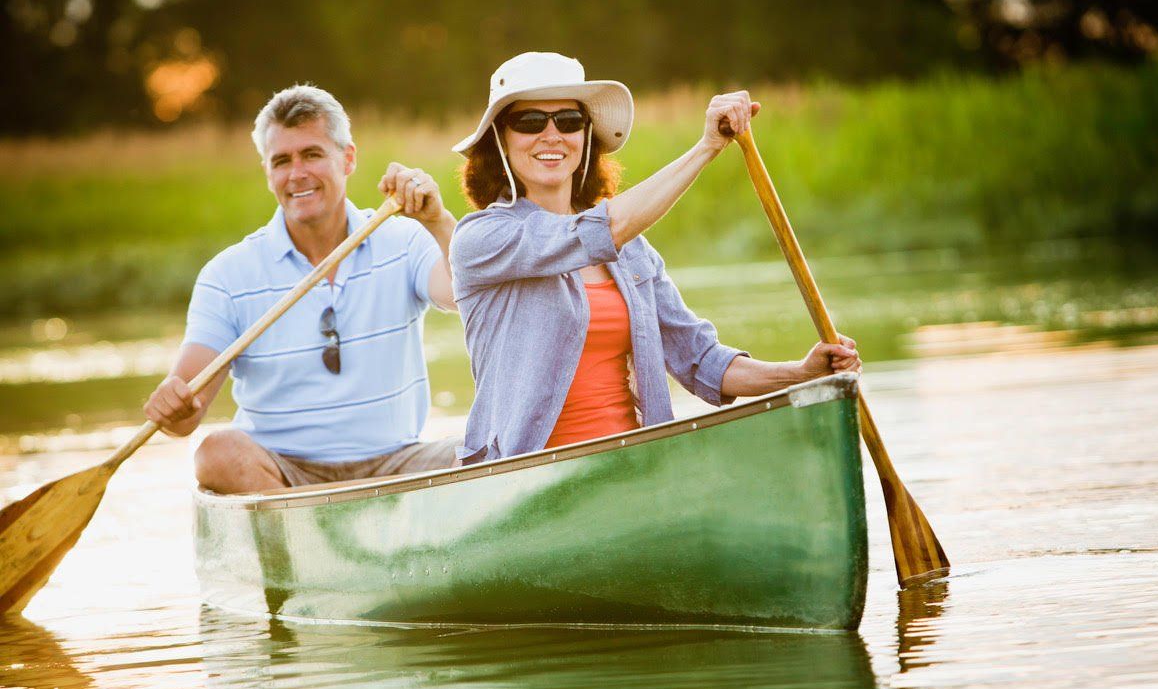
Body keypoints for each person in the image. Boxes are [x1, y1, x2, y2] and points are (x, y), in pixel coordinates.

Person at [448, 52, 861, 464]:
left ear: (586, 136)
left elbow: (701, 360)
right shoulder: (483, 238)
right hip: (527, 476)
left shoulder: (632, 252)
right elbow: (600, 231)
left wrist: (803, 373)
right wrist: (706, 147)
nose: (552, 135)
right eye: (530, 122)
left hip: (636, 466)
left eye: (569, 121)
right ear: (501, 139)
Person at [144, 84, 458, 493]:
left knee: (487, 446)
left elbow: (463, 294)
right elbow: (186, 417)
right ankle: (312, 545)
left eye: (312, 154)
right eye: (282, 161)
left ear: (347, 159)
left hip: (397, 464)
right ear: (268, 173)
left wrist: (438, 222)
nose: (297, 174)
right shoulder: (227, 275)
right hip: (283, 475)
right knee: (215, 453)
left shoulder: (404, 239)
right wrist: (171, 404)